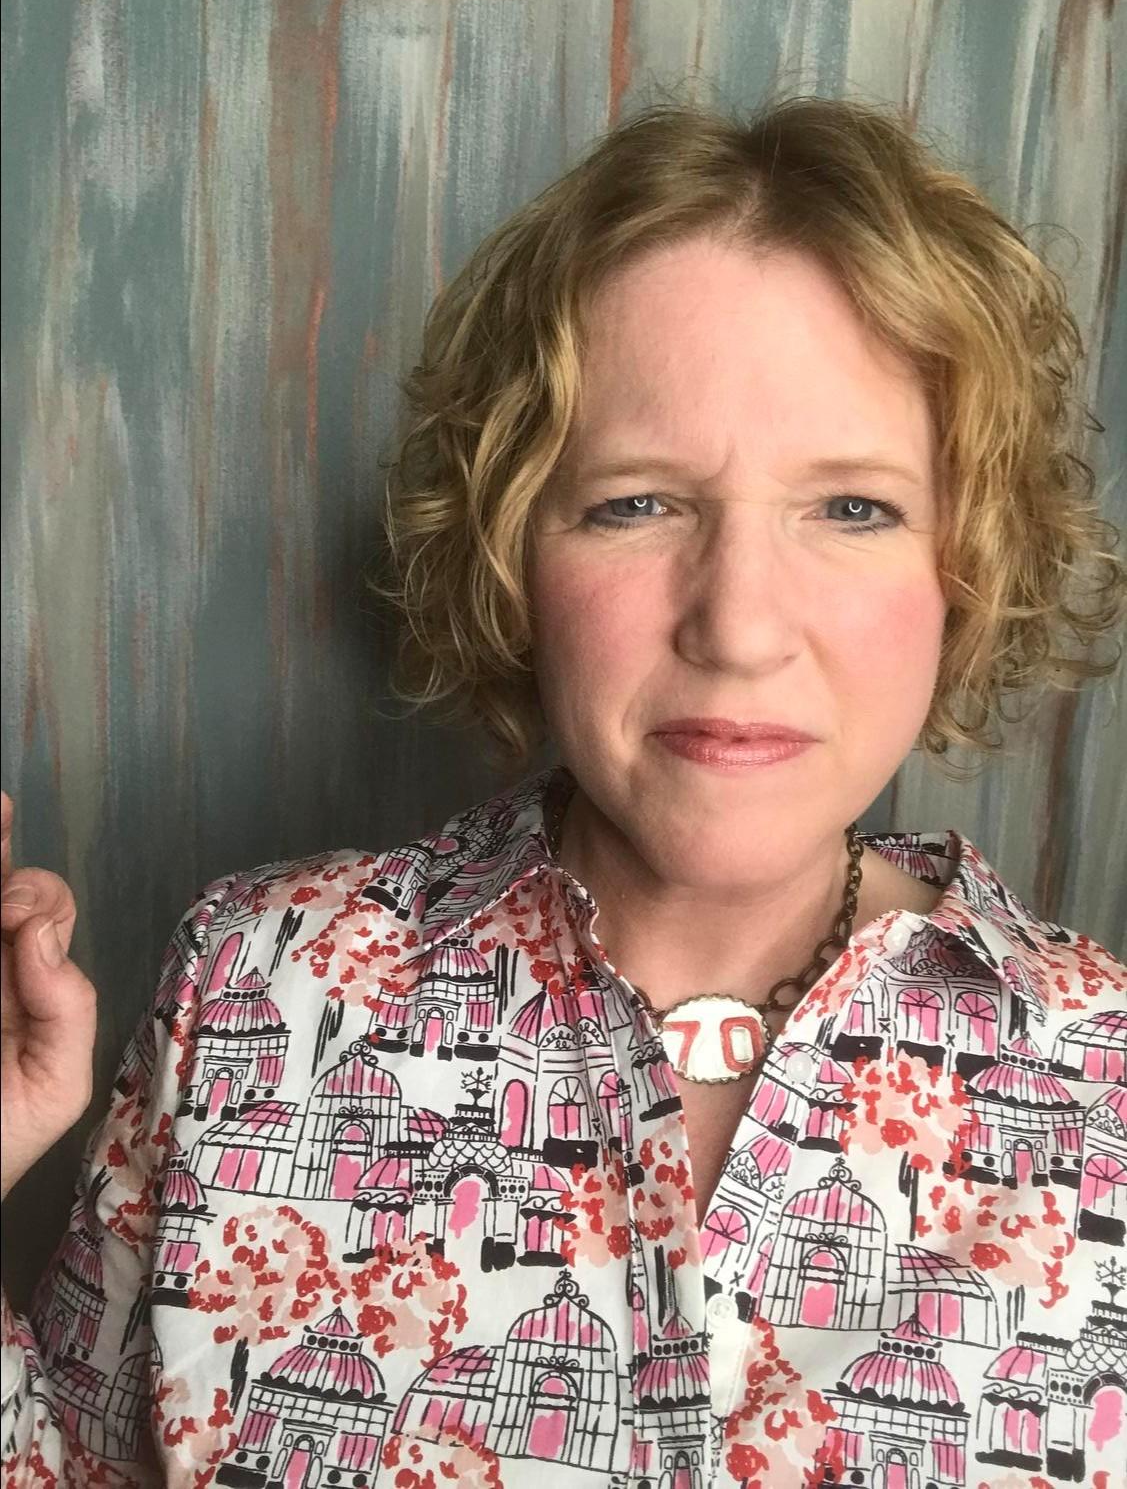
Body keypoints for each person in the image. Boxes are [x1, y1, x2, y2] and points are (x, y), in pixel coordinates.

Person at [2, 94, 1125, 1489]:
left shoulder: (1105, 1079)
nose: (738, 626)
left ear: (967, 562)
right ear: (512, 547)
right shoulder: (251, 991)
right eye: (636, 502)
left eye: (853, 507)